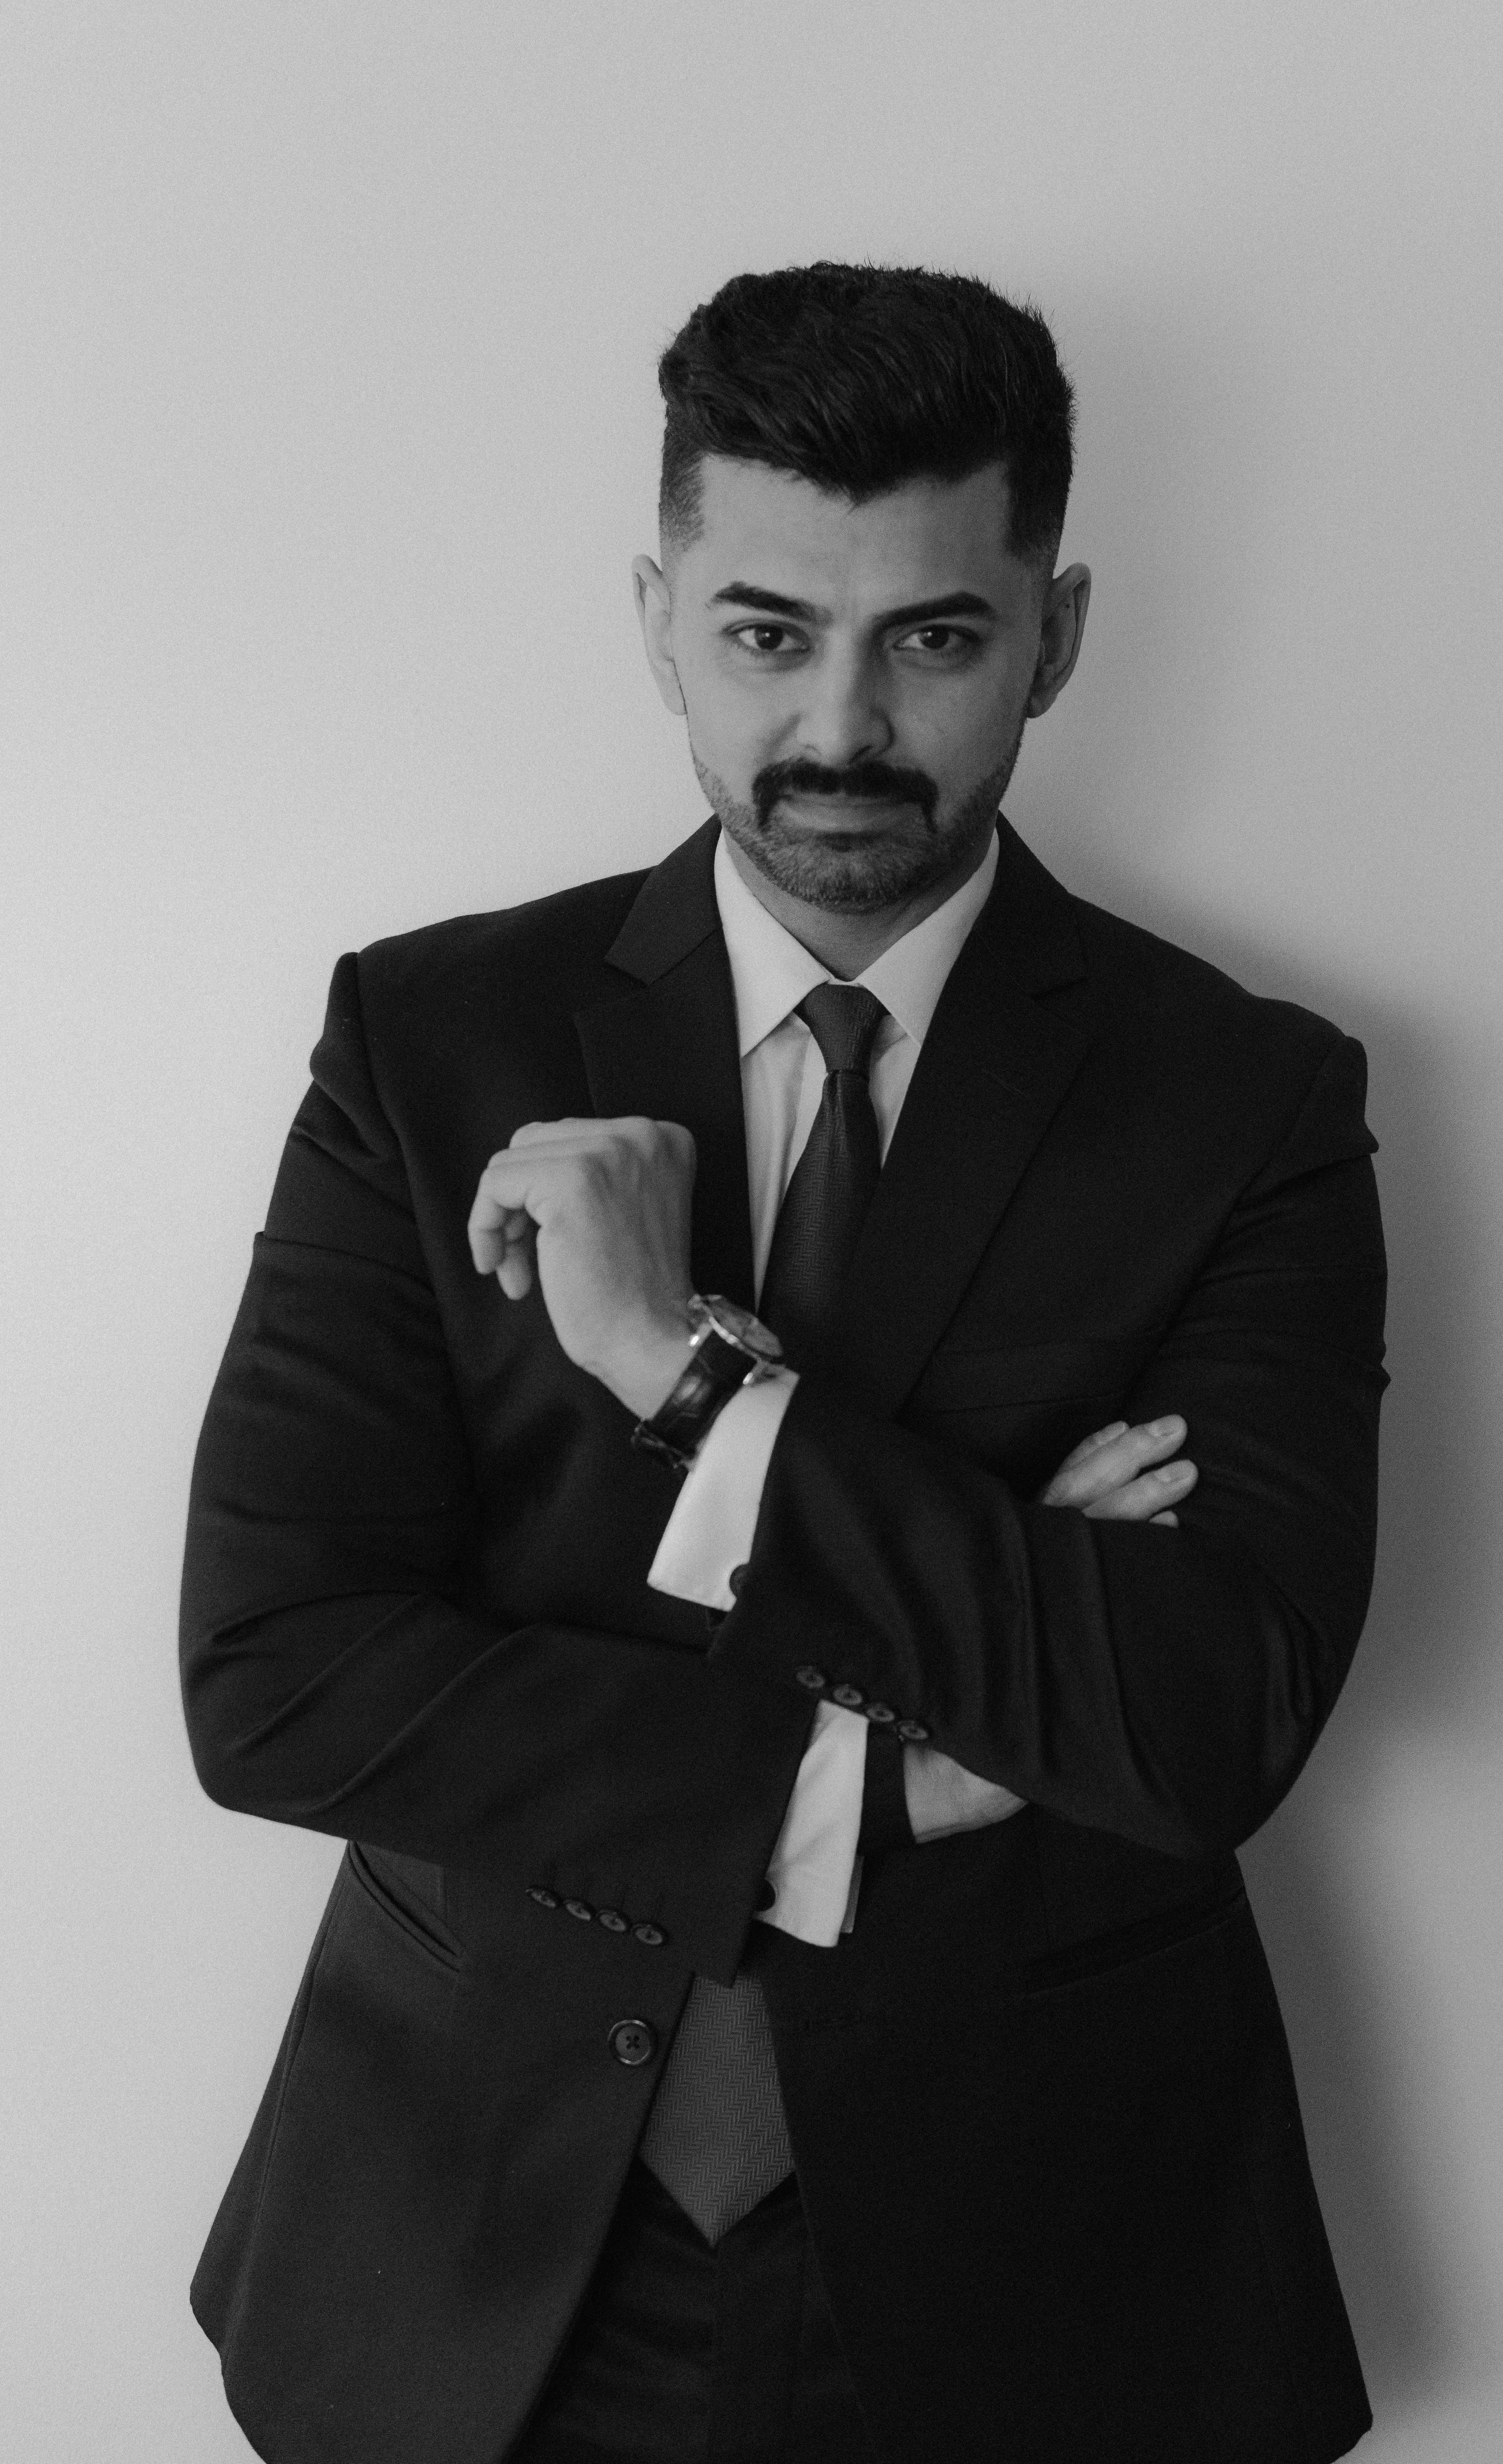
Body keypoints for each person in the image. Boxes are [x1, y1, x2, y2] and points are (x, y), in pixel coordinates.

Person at [181, 262, 1386, 2464]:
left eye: (932, 639)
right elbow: (280, 1678)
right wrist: (907, 1759)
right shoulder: (430, 1043)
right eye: (764, 633)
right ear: (657, 620)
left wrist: (684, 1372)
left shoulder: (1242, 1103)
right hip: (476, 2255)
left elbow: (1202, 1715)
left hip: (1048, 2261)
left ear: (1052, 635)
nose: (841, 726)